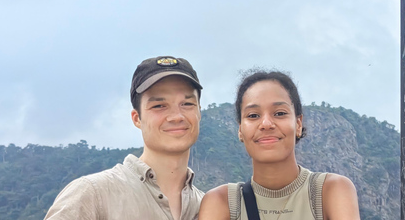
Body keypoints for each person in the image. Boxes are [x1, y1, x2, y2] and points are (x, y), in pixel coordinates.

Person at [45, 56, 204, 220]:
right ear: (137, 118)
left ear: (199, 111)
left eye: (187, 104)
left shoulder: (209, 208)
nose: (176, 116)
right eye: (159, 106)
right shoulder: (94, 194)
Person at [198, 70, 360, 220]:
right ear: (240, 130)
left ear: (298, 124)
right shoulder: (223, 202)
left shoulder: (328, 191)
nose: (266, 124)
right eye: (253, 115)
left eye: (279, 113)